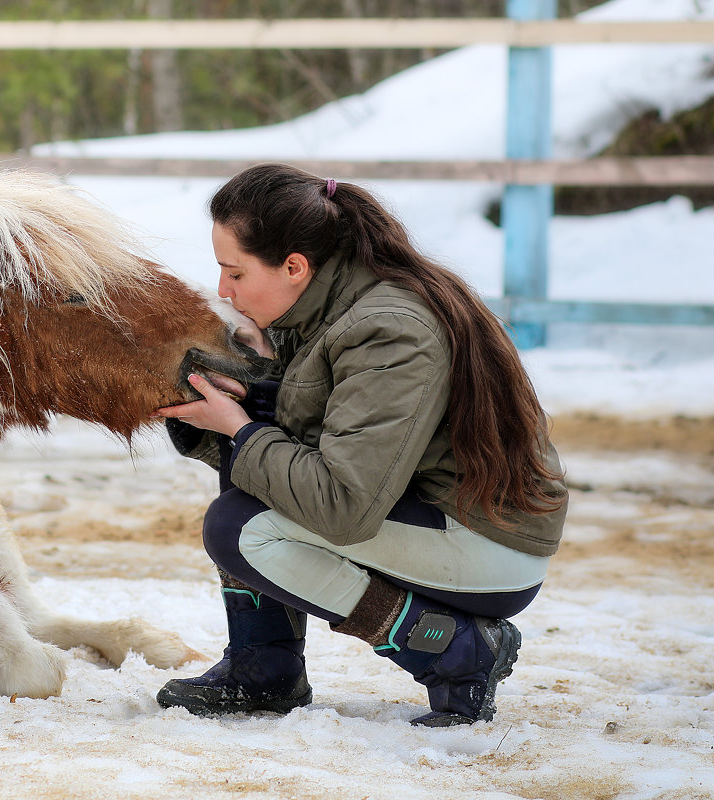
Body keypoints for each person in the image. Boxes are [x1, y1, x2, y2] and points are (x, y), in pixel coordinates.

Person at [154, 164, 568, 727]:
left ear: (295, 266)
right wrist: (225, 414)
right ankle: (265, 668)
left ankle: (455, 649)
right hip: (431, 515)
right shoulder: (326, 307)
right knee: (251, 453)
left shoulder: (389, 328)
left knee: (240, 527)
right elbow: (304, 437)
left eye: (235, 272)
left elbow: (343, 505)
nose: (224, 290)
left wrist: (241, 428)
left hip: (486, 546)